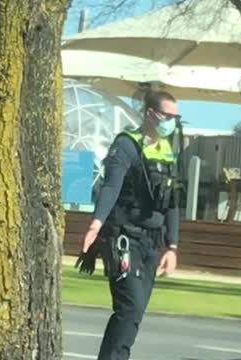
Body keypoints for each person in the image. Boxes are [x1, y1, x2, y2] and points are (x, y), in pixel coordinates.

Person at [76, 90, 182, 360]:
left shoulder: (167, 152)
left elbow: (172, 203)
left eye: (175, 117)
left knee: (135, 314)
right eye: (167, 116)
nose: (172, 122)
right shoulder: (126, 145)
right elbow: (111, 187)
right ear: (150, 114)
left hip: (151, 243)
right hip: (123, 239)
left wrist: (172, 246)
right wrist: (95, 226)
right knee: (130, 307)